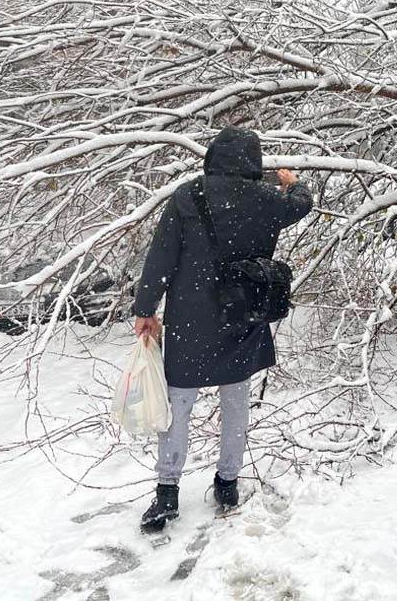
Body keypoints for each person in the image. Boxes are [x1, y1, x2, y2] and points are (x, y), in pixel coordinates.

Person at [132, 126, 312, 532]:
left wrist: (146, 308)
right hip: (242, 314)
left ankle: (166, 493)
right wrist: (292, 183)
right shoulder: (268, 200)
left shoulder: (188, 197)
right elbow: (301, 204)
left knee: (178, 405)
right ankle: (228, 483)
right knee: (236, 400)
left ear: (212, 156)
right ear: (254, 162)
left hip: (192, 317)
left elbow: (161, 256)